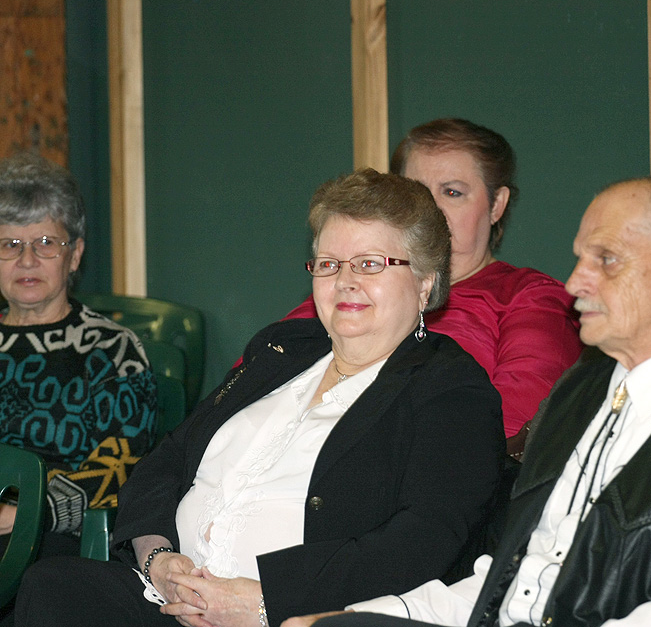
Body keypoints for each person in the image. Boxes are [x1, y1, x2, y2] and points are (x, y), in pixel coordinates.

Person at [284, 176, 651, 627]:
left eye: (606, 260)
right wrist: (366, 615)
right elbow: (515, 580)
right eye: (579, 259)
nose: (575, 283)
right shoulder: (582, 391)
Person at [16, 169, 505, 627]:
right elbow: (166, 463)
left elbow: (422, 542)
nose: (345, 280)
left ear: (424, 282)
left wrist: (262, 598)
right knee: (53, 585)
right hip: (171, 601)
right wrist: (158, 560)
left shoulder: (451, 389)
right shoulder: (283, 350)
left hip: (294, 616)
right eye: (330, 263)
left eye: (371, 264)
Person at [281, 119, 582, 456]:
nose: (432, 210)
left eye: (452, 192)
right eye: (416, 192)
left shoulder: (527, 298)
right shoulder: (348, 287)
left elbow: (510, 427)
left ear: (496, 205)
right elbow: (248, 389)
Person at [0, 152, 157, 548]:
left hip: (50, 540)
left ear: (76, 254)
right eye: (10, 243)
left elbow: (121, 466)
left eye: (46, 243)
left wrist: (30, 513)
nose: (27, 259)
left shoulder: (113, 350)